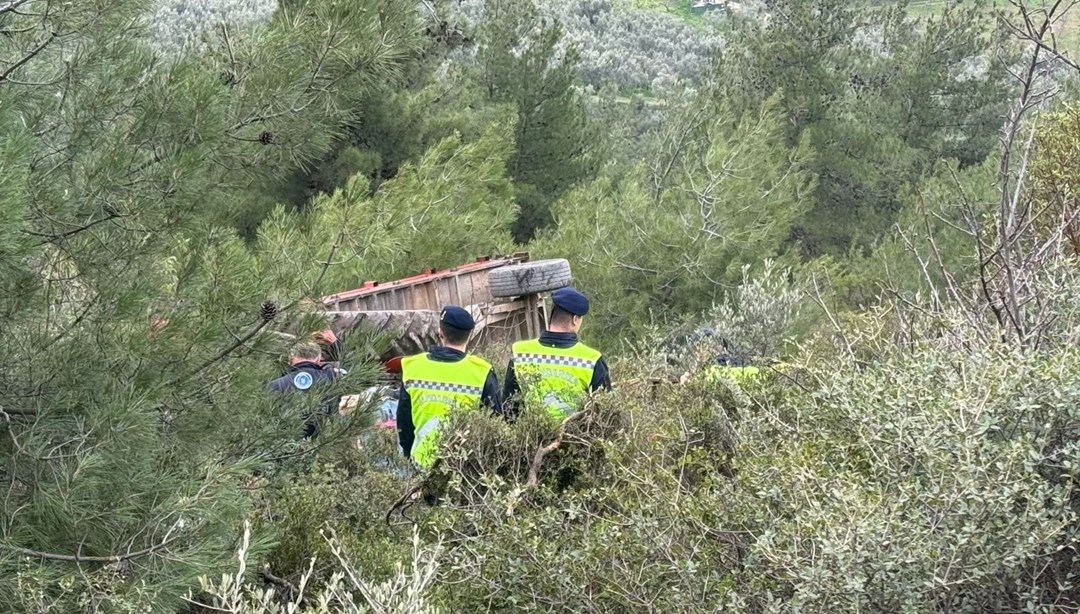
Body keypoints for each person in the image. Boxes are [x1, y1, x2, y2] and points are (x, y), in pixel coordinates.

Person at [397, 306, 501, 468]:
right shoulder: (481, 372)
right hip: (464, 470)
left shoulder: (413, 367)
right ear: (469, 336)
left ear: (440, 333)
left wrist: (408, 457)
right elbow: (495, 424)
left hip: (421, 465)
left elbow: (404, 424)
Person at [503, 287, 611, 418]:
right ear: (575, 319)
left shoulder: (520, 353)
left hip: (531, 437)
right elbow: (605, 414)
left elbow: (509, 408)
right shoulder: (592, 360)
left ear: (551, 316)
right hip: (575, 438)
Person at [268, 341, 341, 438]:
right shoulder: (334, 379)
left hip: (280, 445)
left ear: (291, 358)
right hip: (321, 445)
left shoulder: (275, 385)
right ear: (318, 359)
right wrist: (336, 343)